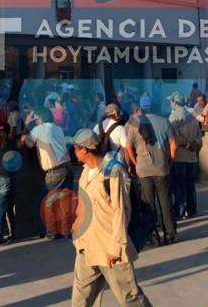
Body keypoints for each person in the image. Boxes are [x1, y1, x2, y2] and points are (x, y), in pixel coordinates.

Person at [71, 129, 151, 307]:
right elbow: (83, 204)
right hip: (86, 247)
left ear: (85, 150)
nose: (73, 152)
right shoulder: (84, 172)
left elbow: (121, 211)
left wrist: (115, 248)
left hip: (110, 248)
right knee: (80, 302)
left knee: (130, 299)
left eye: (75, 148)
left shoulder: (113, 172)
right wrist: (77, 225)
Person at [125, 96, 177, 245]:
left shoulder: (134, 124)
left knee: (148, 205)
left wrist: (136, 162)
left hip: (143, 169)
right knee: (165, 203)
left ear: (140, 109)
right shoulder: (164, 121)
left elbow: (128, 146)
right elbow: (174, 145)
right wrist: (170, 162)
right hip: (162, 168)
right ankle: (170, 235)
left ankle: (153, 237)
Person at [22, 108, 73, 239]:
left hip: (54, 171)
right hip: (67, 167)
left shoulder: (39, 129)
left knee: (51, 203)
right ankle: (66, 231)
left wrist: (26, 125)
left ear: (41, 119)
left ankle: (52, 232)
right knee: (65, 202)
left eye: (37, 119)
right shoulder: (57, 128)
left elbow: (28, 143)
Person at [169, 92, 202, 219]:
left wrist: (186, 143)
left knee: (179, 185)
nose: (170, 103)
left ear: (175, 102)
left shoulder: (173, 117)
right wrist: (193, 144)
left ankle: (180, 211)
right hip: (192, 157)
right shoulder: (192, 116)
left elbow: (173, 138)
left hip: (179, 157)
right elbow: (199, 137)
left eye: (171, 101)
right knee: (190, 185)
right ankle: (192, 209)